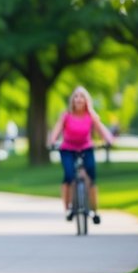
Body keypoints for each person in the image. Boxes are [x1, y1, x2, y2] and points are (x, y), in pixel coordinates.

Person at [47, 85, 116, 224]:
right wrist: (52, 141)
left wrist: (109, 140)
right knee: (69, 175)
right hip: (68, 149)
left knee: (91, 174)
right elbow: (56, 130)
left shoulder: (91, 116)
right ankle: (68, 209)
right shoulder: (66, 115)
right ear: (73, 100)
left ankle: (94, 210)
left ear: (86, 100)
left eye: (82, 96)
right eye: (76, 96)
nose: (79, 99)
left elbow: (101, 129)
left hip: (86, 148)